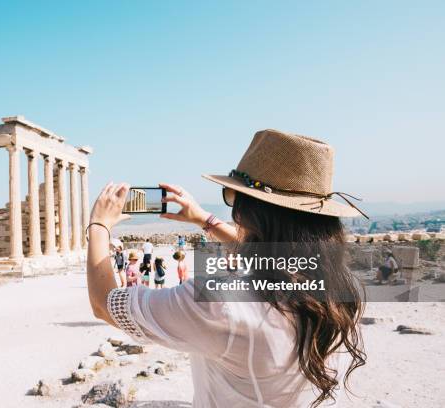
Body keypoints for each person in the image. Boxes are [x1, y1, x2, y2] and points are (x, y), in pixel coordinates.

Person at [86, 129, 368, 407]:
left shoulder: (218, 302)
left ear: (250, 211)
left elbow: (104, 303)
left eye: (232, 196)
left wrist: (99, 225)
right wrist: (204, 220)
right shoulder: (343, 289)